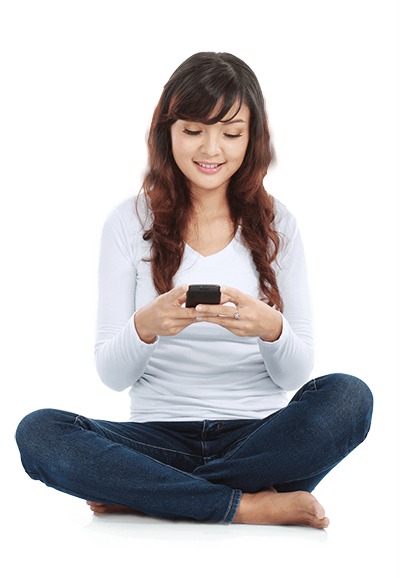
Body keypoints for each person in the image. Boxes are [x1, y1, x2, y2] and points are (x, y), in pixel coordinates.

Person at [15, 52, 373, 529]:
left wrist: (270, 328)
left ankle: (148, 496)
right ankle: (245, 505)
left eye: (231, 133)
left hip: (259, 442)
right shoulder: (127, 221)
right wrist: (145, 326)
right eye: (193, 131)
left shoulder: (278, 223)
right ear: (168, 131)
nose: (211, 149)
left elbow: (294, 374)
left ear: (252, 137)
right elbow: (112, 376)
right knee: (39, 432)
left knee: (350, 397)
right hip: (156, 440)